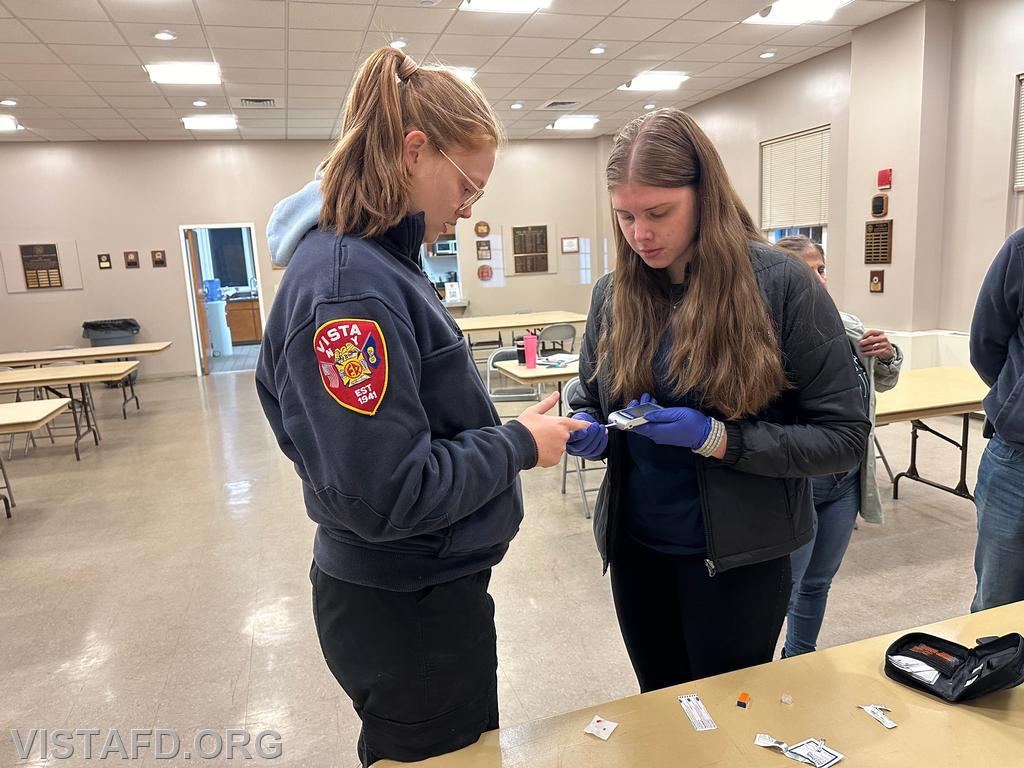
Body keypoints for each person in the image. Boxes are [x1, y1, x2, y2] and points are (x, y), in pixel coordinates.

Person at [255, 47, 585, 767]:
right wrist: (519, 445)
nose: (468, 210)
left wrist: (513, 432)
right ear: (414, 151)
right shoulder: (350, 289)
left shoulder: (379, 264)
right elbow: (385, 493)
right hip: (405, 606)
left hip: (422, 590)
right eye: (468, 186)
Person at [566, 108, 870, 693]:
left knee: (728, 717)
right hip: (637, 552)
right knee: (660, 706)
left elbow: (843, 438)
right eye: (625, 216)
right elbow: (591, 391)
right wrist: (589, 423)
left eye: (659, 213)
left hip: (738, 559)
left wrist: (721, 439)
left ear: (705, 195)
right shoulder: (613, 294)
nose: (641, 235)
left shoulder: (781, 285)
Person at [775, 235, 902, 656]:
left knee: (816, 582)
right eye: (805, 271)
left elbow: (879, 382)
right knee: (782, 585)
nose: (819, 280)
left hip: (845, 480)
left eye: (822, 269)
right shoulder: (766, 335)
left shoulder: (845, 325)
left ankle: (799, 657)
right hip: (799, 481)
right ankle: (754, 670)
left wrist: (884, 356)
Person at [969, 227, 1024, 612]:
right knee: (997, 605)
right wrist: (1015, 402)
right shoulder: (1021, 250)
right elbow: (985, 345)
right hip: (1016, 460)